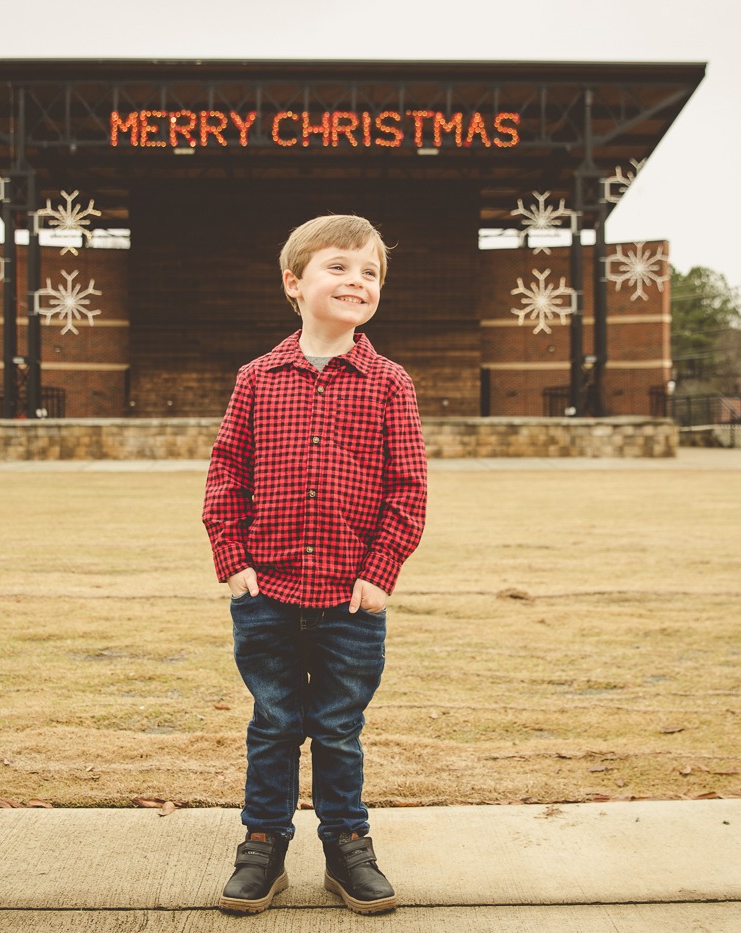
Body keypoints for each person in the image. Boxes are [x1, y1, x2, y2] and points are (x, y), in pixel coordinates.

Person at [202, 214, 428, 915]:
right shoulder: (257, 378)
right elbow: (224, 472)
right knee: (273, 722)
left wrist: (381, 570)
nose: (357, 281)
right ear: (294, 283)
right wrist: (232, 558)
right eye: (340, 267)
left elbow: (409, 487)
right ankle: (263, 847)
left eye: (371, 273)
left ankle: (346, 848)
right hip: (265, 591)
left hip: (351, 601)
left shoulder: (391, 384)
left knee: (336, 726)